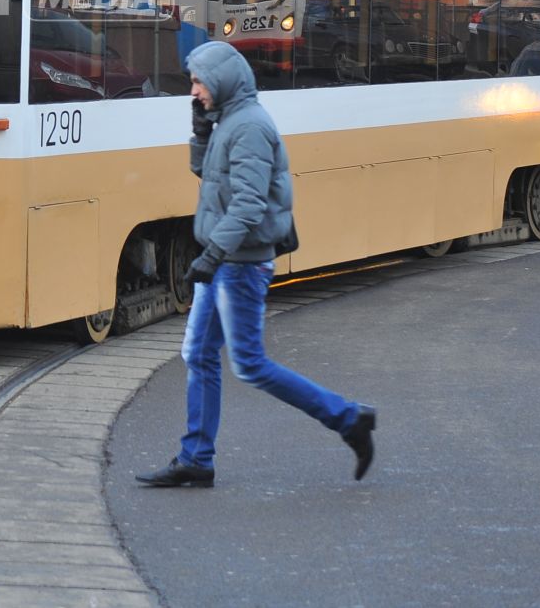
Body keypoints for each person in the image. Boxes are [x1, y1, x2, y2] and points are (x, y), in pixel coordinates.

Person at [136, 41, 375, 489]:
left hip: (240, 265)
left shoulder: (249, 127)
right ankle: (196, 458)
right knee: (199, 354)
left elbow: (247, 205)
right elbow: (210, 178)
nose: (193, 91)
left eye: (198, 82)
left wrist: (210, 256)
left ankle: (349, 419)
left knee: (249, 364)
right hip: (226, 259)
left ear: (222, 81)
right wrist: (201, 134)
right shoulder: (229, 119)